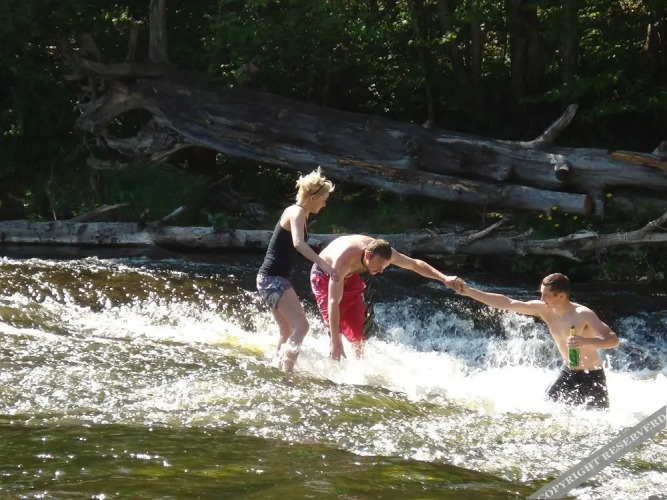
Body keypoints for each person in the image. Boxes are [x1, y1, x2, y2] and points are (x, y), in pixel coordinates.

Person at [455, 273, 619, 409]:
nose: (542, 298)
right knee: (548, 408)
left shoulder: (583, 314)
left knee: (599, 420)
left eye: (546, 295)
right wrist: (470, 292)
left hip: (592, 375)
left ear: (561, 296)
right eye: (541, 293)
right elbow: (507, 302)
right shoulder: (543, 309)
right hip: (569, 370)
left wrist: (586, 341)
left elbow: (613, 340)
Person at [310, 235, 461, 360]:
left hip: (350, 276)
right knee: (336, 331)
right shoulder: (344, 260)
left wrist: (443, 278)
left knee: (358, 330)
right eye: (378, 266)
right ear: (367, 255)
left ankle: (358, 363)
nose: (381, 271)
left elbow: (415, 265)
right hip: (325, 275)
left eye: (384, 267)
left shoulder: (384, 252)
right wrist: (335, 341)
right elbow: (333, 302)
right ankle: (334, 359)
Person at [256, 167, 339, 372]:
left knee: (286, 331)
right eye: (323, 199)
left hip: (268, 279)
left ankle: (276, 369)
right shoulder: (296, 212)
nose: (324, 204)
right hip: (273, 279)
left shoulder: (299, 213)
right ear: (312, 197)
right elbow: (298, 244)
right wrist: (325, 266)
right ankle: (287, 373)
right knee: (302, 326)